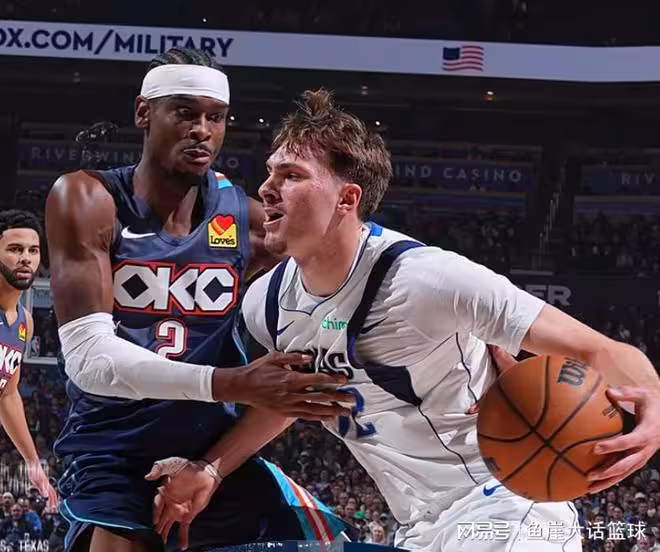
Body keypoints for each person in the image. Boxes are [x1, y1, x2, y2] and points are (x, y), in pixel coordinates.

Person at [151, 89, 660, 551]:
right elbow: (295, 400)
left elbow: (600, 350)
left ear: (347, 199)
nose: (266, 189)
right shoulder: (265, 305)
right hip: (417, 528)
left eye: (291, 175)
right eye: (269, 173)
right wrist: (212, 468)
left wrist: (655, 408)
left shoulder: (428, 280)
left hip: (505, 508)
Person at [45, 50, 353, 552]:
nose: (202, 131)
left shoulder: (246, 219)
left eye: (216, 117)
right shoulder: (88, 198)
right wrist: (234, 382)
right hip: (116, 449)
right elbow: (89, 362)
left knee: (332, 540)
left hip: (210, 450)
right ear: (144, 113)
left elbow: (351, 253)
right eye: (185, 113)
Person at [0, 210, 57, 511]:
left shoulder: (25, 322)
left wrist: (32, 462)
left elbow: (7, 395)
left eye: (33, 251)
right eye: (14, 249)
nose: (25, 258)